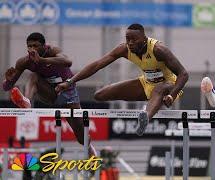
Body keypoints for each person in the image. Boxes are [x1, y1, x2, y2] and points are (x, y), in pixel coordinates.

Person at [55, 23, 188, 136]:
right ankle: (154, 101)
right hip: (147, 83)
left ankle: (145, 117)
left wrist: (172, 95)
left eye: (134, 39)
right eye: (127, 39)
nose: (130, 43)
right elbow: (97, 65)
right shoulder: (124, 49)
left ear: (144, 38)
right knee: (100, 95)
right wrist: (70, 81)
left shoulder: (159, 50)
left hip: (170, 86)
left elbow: (183, 74)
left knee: (160, 89)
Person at [2, 32, 96, 157]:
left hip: (67, 91)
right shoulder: (25, 61)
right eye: (29, 46)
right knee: (34, 76)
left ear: (44, 46)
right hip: (50, 93)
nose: (32, 49)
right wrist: (8, 80)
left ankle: (89, 150)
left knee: (82, 137)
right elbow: (7, 87)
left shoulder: (52, 51)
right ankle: (27, 101)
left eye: (35, 46)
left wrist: (41, 60)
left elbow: (68, 62)